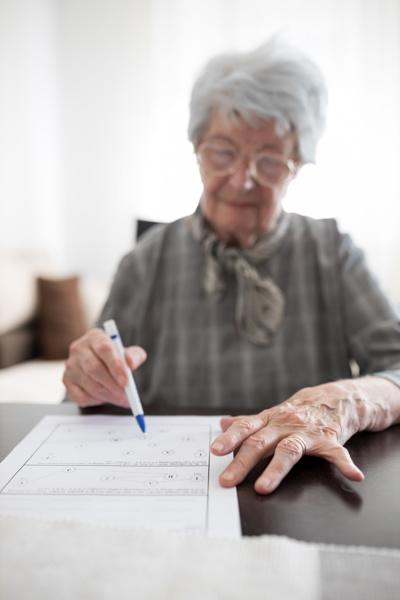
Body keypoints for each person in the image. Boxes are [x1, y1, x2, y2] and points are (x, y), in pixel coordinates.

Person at [63, 38, 400, 495]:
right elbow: (85, 399)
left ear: (297, 164)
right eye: (223, 152)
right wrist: (90, 381)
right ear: (196, 147)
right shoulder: (145, 262)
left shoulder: (331, 251)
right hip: (175, 488)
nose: (242, 179)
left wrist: (350, 398)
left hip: (300, 492)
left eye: (269, 161)